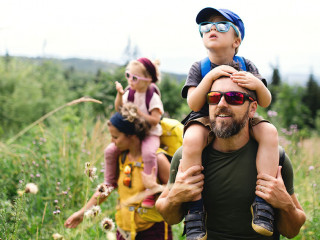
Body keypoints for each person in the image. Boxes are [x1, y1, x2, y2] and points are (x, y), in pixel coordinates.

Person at [156, 70, 306, 239]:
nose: (221, 104)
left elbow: (292, 231)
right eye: (213, 98)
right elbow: (169, 217)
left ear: (252, 109)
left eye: (234, 97)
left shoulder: (275, 159)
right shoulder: (187, 156)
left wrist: (286, 205)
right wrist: (174, 198)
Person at [180, 7, 279, 239]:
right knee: (191, 138)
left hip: (240, 116)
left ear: (237, 40)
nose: (212, 28)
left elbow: (265, 101)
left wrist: (256, 84)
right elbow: (194, 104)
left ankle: (263, 202)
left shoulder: (246, 65)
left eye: (221, 25)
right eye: (206, 26)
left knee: (270, 132)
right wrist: (211, 78)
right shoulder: (199, 67)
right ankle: (195, 210)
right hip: (206, 117)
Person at [65, 103, 172, 240]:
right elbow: (107, 188)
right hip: (124, 229)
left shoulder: (158, 159)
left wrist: (155, 188)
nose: (112, 141)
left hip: (153, 231)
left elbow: (177, 192)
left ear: (131, 136)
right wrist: (82, 212)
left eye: (115, 137)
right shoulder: (121, 157)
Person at [105, 57, 164, 208]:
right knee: (111, 150)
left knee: (149, 153)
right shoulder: (129, 93)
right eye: (128, 76)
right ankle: (109, 182)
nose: (130, 81)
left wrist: (140, 113)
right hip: (134, 133)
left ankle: (150, 190)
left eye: (135, 78)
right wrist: (119, 95)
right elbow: (119, 109)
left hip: (150, 133)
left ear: (148, 79)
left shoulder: (152, 96)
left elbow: (155, 120)